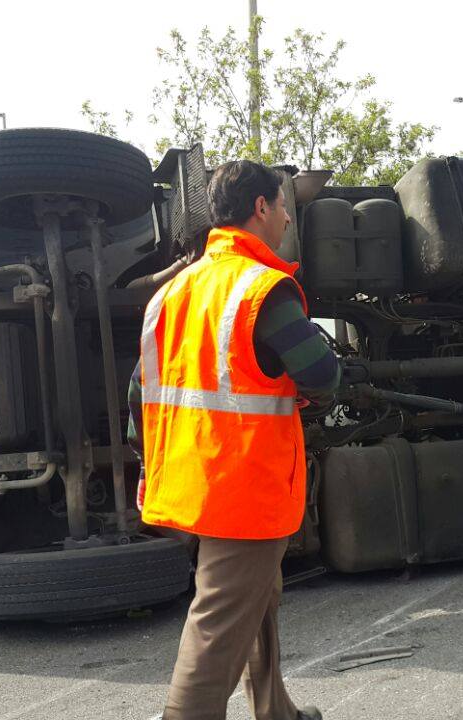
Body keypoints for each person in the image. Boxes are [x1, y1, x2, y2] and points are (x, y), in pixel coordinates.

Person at [129, 160, 339, 720]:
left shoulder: (171, 294)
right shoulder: (261, 289)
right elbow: (321, 374)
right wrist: (308, 391)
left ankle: (277, 711)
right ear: (261, 208)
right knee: (220, 622)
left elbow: (138, 398)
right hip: (243, 483)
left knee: (255, 595)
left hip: (193, 481)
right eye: (284, 205)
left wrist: (153, 464)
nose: (289, 217)